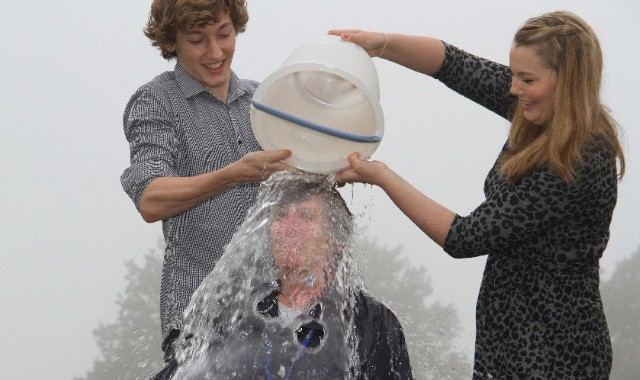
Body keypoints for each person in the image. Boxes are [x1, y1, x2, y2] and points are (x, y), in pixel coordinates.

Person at [330, 10, 625, 379]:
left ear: (567, 81)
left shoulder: (578, 158)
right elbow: (452, 64)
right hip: (508, 341)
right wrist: (382, 44)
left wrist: (382, 177)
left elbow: (464, 237)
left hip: (554, 353)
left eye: (526, 79)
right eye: (514, 74)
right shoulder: (538, 110)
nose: (514, 88)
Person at [120, 0, 291, 363]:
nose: (216, 52)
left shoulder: (265, 101)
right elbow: (151, 198)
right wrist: (233, 175)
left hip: (281, 316)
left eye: (224, 35)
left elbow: (307, 174)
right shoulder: (156, 102)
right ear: (172, 42)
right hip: (198, 318)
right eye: (198, 39)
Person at [152, 172, 414, 379]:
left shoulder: (371, 323)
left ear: (335, 239)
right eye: (280, 216)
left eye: (306, 216)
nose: (289, 228)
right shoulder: (234, 314)